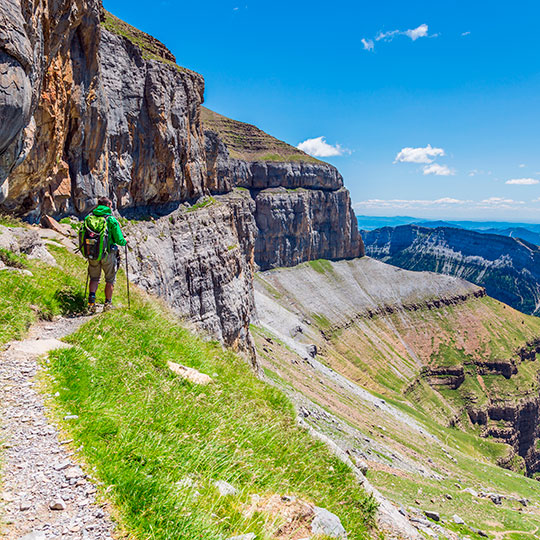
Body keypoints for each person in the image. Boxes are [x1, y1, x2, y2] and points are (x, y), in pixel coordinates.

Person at [86, 197, 127, 312]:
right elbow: (119, 240)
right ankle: (107, 304)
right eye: (110, 205)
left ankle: (91, 302)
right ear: (108, 206)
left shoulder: (89, 217)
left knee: (94, 278)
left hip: (92, 253)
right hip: (108, 254)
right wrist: (125, 241)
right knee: (109, 280)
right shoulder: (111, 220)